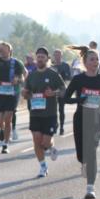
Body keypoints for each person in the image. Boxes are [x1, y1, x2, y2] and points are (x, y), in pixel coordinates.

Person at [64, 47, 100, 199]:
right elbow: (66, 98)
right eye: (92, 59)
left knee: (91, 152)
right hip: (80, 119)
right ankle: (84, 164)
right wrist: (79, 99)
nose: (95, 62)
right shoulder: (78, 80)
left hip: (97, 119)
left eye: (97, 59)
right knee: (82, 156)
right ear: (85, 63)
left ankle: (90, 187)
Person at [22, 47, 65, 178]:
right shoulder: (31, 75)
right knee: (36, 140)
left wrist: (54, 93)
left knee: (45, 142)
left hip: (49, 114)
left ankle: (50, 147)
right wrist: (25, 94)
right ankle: (43, 167)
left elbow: (64, 90)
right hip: (35, 114)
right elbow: (26, 93)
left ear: (47, 59)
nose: (40, 59)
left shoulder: (53, 74)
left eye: (42, 57)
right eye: (38, 57)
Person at [0, 41, 25, 154]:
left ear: (9, 50)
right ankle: (1, 129)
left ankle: (5, 144)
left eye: (3, 49)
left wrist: (18, 80)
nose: (1, 50)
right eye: (0, 49)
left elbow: (23, 77)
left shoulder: (16, 63)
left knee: (8, 119)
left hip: (12, 94)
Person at [52, 49, 73, 135]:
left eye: (59, 55)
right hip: (53, 90)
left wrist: (66, 89)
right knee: (53, 110)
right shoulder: (51, 66)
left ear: (61, 56)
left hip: (62, 90)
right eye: (56, 55)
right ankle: (55, 125)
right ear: (53, 56)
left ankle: (61, 127)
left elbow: (69, 78)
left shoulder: (65, 65)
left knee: (61, 109)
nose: (57, 56)